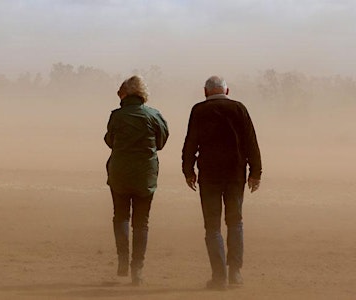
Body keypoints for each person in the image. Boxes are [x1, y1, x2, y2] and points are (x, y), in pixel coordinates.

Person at [181, 76, 262, 290]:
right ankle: (235, 273)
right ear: (227, 90)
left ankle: (219, 276)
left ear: (205, 92)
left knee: (212, 226)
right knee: (235, 222)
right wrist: (256, 172)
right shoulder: (239, 109)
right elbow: (251, 141)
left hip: (209, 175)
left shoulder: (199, 111)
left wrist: (188, 170)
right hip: (235, 174)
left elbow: (191, 141)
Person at [104, 75, 169, 286]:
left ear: (124, 94)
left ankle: (123, 259)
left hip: (119, 173)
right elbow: (161, 141)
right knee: (141, 223)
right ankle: (137, 268)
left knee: (121, 217)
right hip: (145, 176)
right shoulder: (154, 115)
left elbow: (109, 140)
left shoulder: (117, 116)